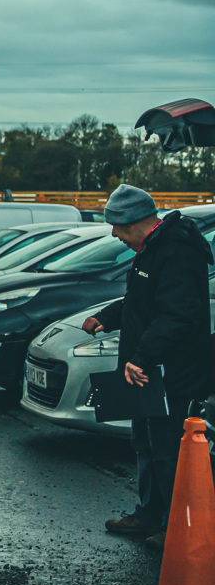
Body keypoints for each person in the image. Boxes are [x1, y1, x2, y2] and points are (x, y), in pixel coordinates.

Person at [83, 185, 213, 548]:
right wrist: (105, 317)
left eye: (118, 227)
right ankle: (149, 514)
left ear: (134, 222)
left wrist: (143, 357)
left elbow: (178, 314)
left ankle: (175, 527)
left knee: (168, 449)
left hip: (172, 372)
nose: (114, 234)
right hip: (149, 372)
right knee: (145, 441)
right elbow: (142, 300)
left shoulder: (176, 251)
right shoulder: (152, 249)